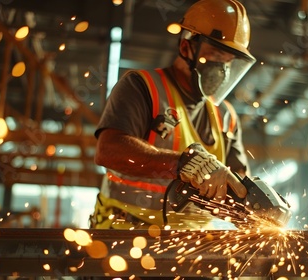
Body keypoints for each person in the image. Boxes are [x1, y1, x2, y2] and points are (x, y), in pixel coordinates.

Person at [90, 0, 257, 230]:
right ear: (186, 47)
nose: (221, 69)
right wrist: (183, 163)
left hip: (187, 250)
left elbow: (238, 183)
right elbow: (108, 151)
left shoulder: (225, 116)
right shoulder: (142, 87)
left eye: (228, 61)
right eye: (215, 55)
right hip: (121, 237)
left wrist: (257, 207)